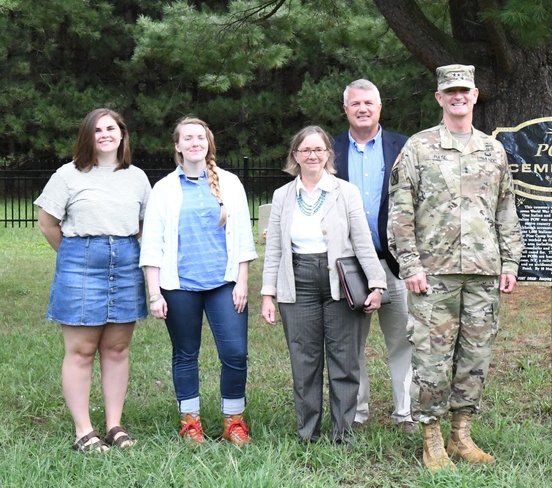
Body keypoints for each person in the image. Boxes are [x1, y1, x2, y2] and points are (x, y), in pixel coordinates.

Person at [388, 64, 523, 472]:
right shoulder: (419, 147)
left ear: (475, 96)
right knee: (431, 357)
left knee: (475, 356)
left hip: (483, 270)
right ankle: (431, 438)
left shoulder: (492, 149)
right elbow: (400, 209)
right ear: (439, 98)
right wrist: (409, 263)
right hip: (433, 273)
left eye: (464, 90)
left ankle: (461, 434)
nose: (458, 97)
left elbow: (505, 208)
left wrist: (510, 260)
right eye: (451, 92)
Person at [260, 126, 387, 444]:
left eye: (319, 149)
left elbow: (362, 242)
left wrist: (376, 284)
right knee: (304, 361)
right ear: (295, 156)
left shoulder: (346, 192)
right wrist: (267, 295)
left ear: (329, 155)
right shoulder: (282, 196)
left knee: (345, 359)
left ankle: (342, 434)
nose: (312, 155)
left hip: (340, 283)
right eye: (305, 150)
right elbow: (274, 248)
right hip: (298, 282)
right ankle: (308, 434)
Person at [35, 108, 151, 452]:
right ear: (87, 137)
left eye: (110, 128)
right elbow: (47, 223)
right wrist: (78, 257)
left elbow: (146, 224)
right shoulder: (67, 175)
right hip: (80, 267)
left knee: (117, 349)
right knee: (82, 350)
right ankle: (84, 431)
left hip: (127, 264)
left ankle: (115, 425)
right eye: (97, 130)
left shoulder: (137, 177)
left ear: (122, 134)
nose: (104, 134)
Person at [139, 117, 257, 445]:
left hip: (224, 284)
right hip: (179, 287)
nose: (195, 143)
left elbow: (244, 238)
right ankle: (190, 421)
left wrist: (243, 281)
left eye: (200, 137)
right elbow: (152, 245)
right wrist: (154, 293)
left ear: (209, 143)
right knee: (185, 353)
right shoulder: (164, 189)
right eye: (187, 138)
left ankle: (234, 420)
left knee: (234, 353)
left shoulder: (230, 183)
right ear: (177, 146)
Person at [332, 79, 416, 434]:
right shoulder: (330, 150)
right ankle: (357, 412)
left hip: (396, 262)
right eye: (355, 104)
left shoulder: (405, 146)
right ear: (346, 110)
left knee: (405, 340)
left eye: (369, 102)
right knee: (351, 345)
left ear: (380, 107)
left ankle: (407, 413)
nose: (362, 108)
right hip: (350, 265)